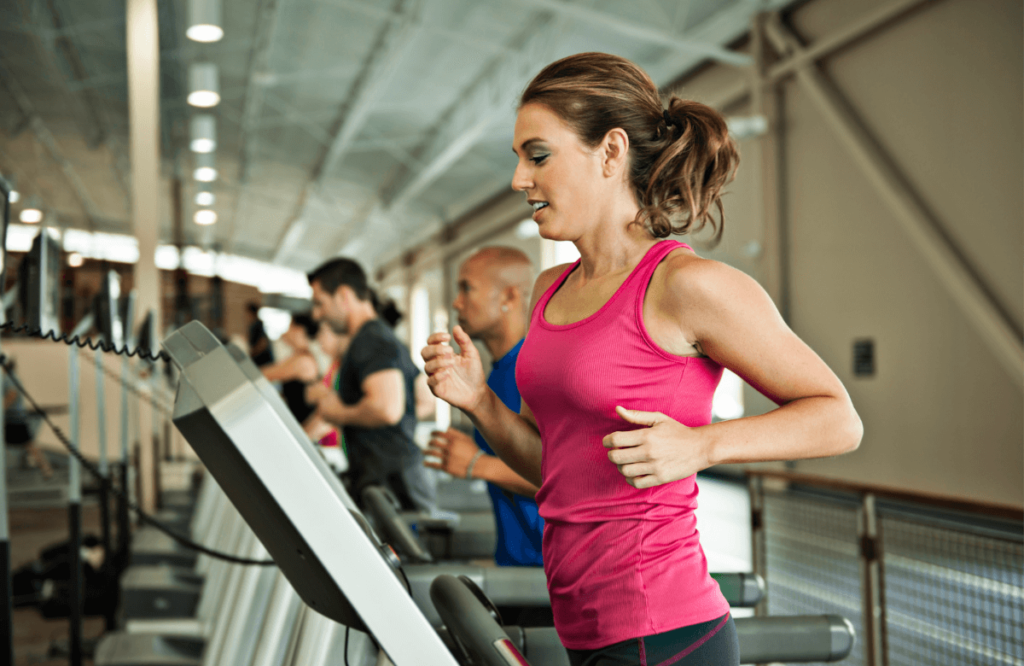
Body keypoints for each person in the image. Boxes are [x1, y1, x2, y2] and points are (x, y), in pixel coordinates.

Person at [422, 52, 863, 666]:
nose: (519, 179)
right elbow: (553, 469)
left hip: (663, 631)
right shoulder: (550, 290)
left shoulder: (686, 285)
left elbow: (839, 418)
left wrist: (703, 445)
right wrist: (479, 402)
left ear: (610, 153)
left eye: (538, 155)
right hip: (582, 624)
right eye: (518, 159)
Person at [424, 247, 543, 568]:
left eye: (467, 288)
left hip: (544, 568)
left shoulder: (533, 371)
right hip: (514, 560)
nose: (456, 302)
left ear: (508, 296)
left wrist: (477, 464)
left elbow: (563, 478)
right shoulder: (497, 373)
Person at [308, 258, 436, 513]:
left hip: (393, 484)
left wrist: (337, 413)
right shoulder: (380, 337)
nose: (317, 314)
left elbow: (387, 409)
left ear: (343, 295)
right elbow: (423, 399)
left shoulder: (371, 340)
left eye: (320, 303)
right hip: (397, 475)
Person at [261, 312, 320, 425]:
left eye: (290, 326)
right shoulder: (298, 355)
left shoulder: (303, 361)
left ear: (299, 330)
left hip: (305, 426)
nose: (286, 331)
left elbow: (264, 374)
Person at [245, 302, 274, 368]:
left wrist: (252, 353)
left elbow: (263, 343)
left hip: (263, 359)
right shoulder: (253, 325)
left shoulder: (258, 325)